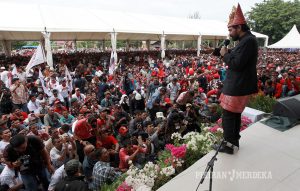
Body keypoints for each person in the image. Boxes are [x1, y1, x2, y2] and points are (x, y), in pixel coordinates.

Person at [216, 4, 258, 154]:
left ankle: (228, 145)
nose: (229, 33)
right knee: (233, 115)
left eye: (230, 29)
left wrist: (224, 55)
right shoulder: (245, 41)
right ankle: (233, 142)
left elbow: (236, 63)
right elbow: (234, 55)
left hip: (237, 86)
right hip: (238, 85)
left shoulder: (248, 41)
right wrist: (220, 52)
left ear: (239, 27)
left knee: (228, 115)